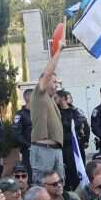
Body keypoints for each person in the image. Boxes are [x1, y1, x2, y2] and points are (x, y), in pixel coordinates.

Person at [29, 46, 65, 181]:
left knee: (58, 187)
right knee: (42, 189)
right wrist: (59, 51)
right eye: (54, 81)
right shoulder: (39, 94)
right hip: (43, 150)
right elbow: (48, 72)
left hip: (56, 150)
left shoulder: (51, 100)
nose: (57, 85)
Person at [13, 88, 33, 181]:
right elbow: (16, 134)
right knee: (29, 175)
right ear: (27, 97)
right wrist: (28, 145)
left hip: (40, 149)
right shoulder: (20, 114)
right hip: (28, 150)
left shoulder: (37, 113)